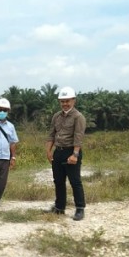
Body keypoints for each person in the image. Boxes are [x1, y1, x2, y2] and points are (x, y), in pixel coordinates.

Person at [45, 86, 86, 221]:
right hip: (59, 152)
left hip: (71, 151)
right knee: (58, 181)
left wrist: (75, 155)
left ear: (73, 100)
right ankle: (59, 207)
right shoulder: (56, 116)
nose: (65, 104)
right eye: (62, 101)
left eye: (67, 101)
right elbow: (51, 134)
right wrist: (49, 151)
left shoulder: (78, 117)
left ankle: (80, 208)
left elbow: (78, 137)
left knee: (75, 181)